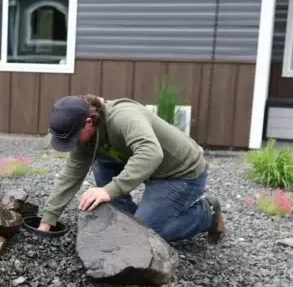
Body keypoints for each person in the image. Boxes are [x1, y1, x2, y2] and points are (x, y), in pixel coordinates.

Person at [37, 94, 225, 244]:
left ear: (88, 122)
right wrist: (48, 220)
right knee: (101, 161)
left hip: (180, 174)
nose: (72, 144)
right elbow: (71, 174)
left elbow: (151, 153)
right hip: (148, 168)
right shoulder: (86, 136)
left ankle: (207, 214)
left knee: (146, 235)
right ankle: (128, 218)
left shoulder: (124, 118)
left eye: (73, 138)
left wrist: (108, 191)